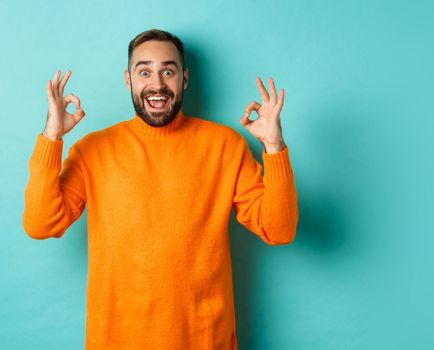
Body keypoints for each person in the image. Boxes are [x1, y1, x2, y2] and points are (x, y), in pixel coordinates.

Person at [22, 28, 298, 349]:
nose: (157, 84)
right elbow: (41, 224)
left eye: (168, 71)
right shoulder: (92, 150)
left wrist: (274, 147)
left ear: (184, 79)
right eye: (144, 72)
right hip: (117, 341)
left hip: (205, 340)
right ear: (128, 80)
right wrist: (51, 137)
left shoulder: (225, 146)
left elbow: (279, 230)